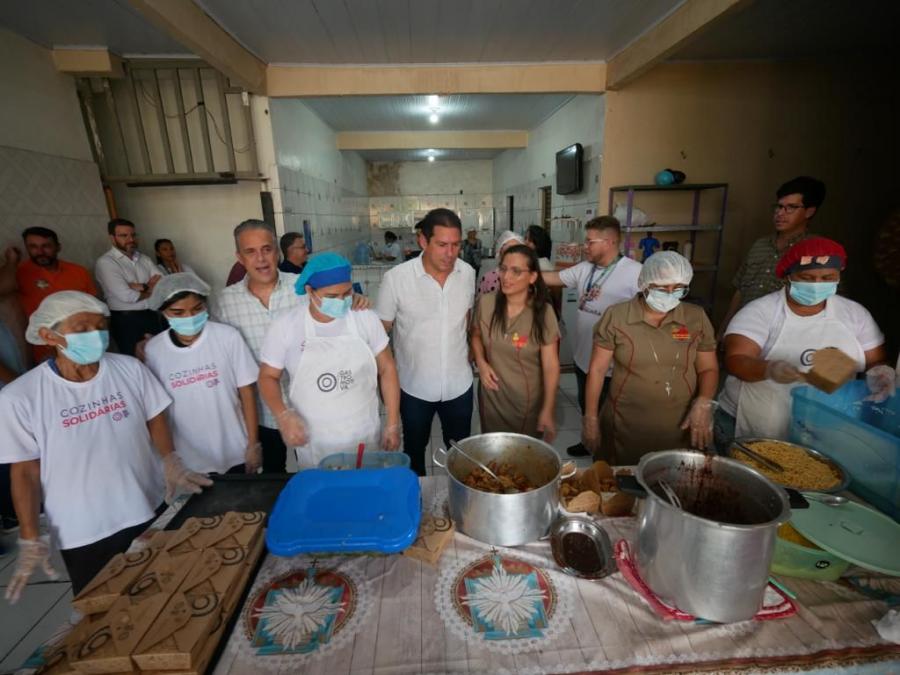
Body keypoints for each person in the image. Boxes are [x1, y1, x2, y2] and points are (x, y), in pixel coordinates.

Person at [0, 291, 211, 601]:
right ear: (48, 334)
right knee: (104, 609)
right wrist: (30, 534)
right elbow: (25, 473)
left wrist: (170, 460)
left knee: (168, 593)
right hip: (84, 529)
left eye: (100, 326)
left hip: (146, 503)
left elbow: (155, 416)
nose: (96, 336)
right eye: (82, 328)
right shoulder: (21, 397)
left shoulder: (128, 369)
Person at [211, 220, 368, 473]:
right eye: (251, 252)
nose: (261, 259)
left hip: (314, 407)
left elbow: (338, 304)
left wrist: (354, 299)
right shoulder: (224, 303)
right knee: (272, 478)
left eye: (267, 249)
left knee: (323, 473)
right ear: (239, 257)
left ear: (277, 251)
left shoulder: (304, 288)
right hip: (262, 412)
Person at [716, 237, 889, 445]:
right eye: (807, 277)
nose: (817, 285)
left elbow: (875, 361)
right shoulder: (760, 312)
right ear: (788, 276)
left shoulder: (855, 314)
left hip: (824, 424)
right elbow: (736, 360)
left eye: (827, 277)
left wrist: (881, 375)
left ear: (838, 275)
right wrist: (769, 369)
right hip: (758, 419)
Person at [259, 253, 401, 468]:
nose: (342, 301)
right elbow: (268, 376)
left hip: (364, 434)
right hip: (315, 442)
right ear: (309, 291)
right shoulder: (286, 326)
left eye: (347, 293)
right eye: (332, 296)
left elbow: (387, 368)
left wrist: (392, 422)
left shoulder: (365, 318)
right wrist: (283, 414)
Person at [581, 252, 718, 464]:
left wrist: (704, 402)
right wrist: (590, 418)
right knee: (621, 483)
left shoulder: (695, 317)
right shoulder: (617, 316)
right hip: (625, 423)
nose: (670, 295)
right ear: (644, 283)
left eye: (679, 288)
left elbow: (708, 368)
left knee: (671, 483)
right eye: (662, 288)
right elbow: (598, 370)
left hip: (680, 423)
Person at [376, 208, 475, 476]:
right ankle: (416, 504)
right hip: (413, 387)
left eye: (456, 245)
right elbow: (379, 334)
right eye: (442, 245)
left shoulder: (467, 274)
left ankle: (459, 504)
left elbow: (467, 321)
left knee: (461, 453)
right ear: (423, 241)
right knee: (414, 450)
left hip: (459, 385)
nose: (450, 253)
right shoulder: (396, 279)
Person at [542, 216, 642, 457]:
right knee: (587, 404)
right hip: (583, 356)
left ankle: (606, 453)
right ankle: (589, 441)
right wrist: (523, 269)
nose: (584, 246)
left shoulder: (635, 273)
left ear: (608, 241)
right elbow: (553, 278)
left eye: (589, 241)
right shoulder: (585, 269)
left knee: (609, 413)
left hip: (614, 363)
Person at [144, 273, 261, 475]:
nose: (189, 318)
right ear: (163, 312)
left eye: (197, 309)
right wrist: (169, 459)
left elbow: (247, 392)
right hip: (190, 457)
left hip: (235, 448)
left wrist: (253, 444)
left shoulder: (227, 337)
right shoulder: (154, 351)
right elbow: (156, 412)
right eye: (178, 312)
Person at [471, 245, 560, 440]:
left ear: (533, 277)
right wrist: (482, 363)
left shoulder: (543, 313)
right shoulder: (486, 303)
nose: (506, 277)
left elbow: (551, 365)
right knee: (494, 454)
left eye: (516, 271)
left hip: (526, 402)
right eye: (503, 269)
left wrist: (548, 408)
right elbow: (476, 335)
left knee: (523, 457)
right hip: (491, 398)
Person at [719, 176, 825, 337]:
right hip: (744, 331)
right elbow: (740, 290)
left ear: (809, 212)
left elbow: (827, 300)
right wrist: (725, 329)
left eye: (791, 208)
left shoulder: (816, 251)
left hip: (783, 335)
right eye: (778, 206)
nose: (780, 213)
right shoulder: (760, 245)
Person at [17, 227, 97, 362]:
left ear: (58, 247)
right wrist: (11, 261)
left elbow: (94, 309)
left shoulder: (79, 271)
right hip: (45, 347)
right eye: (33, 247)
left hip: (83, 343)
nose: (40, 252)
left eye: (46, 246)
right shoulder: (19, 274)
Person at [94, 218, 165, 356]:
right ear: (112, 238)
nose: (130, 239)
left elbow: (163, 285)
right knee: (134, 361)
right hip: (126, 321)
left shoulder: (144, 258)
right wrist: (148, 286)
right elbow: (127, 296)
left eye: (133, 235)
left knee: (160, 357)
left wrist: (138, 287)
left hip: (151, 315)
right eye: (123, 235)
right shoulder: (106, 262)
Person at [478, 230, 525, 295]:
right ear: (499, 252)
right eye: (509, 249)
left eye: (517, 249)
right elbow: (481, 302)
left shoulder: (526, 277)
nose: (513, 253)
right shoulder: (489, 279)